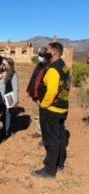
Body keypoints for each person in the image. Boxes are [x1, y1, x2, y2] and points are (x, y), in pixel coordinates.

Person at [32, 42, 70, 178]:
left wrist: (43, 105)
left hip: (51, 110)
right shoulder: (64, 66)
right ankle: (59, 164)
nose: (46, 51)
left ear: (54, 51)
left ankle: (49, 170)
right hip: (62, 108)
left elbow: (52, 91)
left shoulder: (54, 69)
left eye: (48, 49)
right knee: (60, 137)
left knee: (50, 139)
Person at [0, 58, 19, 141]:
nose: (2, 66)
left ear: (9, 65)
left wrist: (16, 100)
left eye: (4, 64)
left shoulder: (13, 74)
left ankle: (6, 134)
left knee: (7, 116)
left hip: (9, 97)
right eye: (2, 64)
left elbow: (15, 88)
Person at [27, 47, 50, 139]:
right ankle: (39, 131)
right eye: (39, 55)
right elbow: (33, 78)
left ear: (46, 56)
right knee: (36, 115)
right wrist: (29, 90)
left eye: (41, 55)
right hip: (35, 95)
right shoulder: (39, 65)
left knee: (44, 116)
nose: (40, 57)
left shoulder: (49, 67)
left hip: (43, 97)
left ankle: (46, 135)